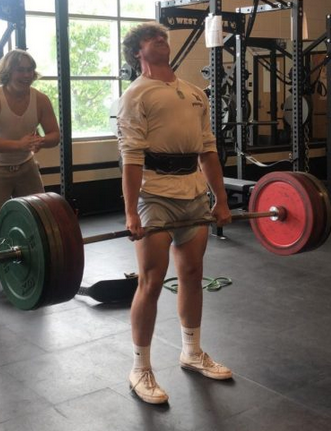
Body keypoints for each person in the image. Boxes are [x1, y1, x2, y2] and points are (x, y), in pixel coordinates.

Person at [117, 22, 233, 405]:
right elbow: (131, 158)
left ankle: (192, 351)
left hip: (193, 191)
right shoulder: (136, 95)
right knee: (151, 280)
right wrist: (132, 212)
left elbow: (208, 151)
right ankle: (140, 368)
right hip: (154, 194)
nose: (160, 40)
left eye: (162, 37)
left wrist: (222, 199)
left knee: (193, 273)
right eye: (151, 39)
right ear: (138, 53)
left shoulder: (195, 93)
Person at [0, 49, 60, 310]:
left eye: (30, 70)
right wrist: (18, 144)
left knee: (38, 220)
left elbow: (54, 134)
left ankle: (39, 275)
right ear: (8, 72)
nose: (27, 75)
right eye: (21, 69)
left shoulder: (39, 99)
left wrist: (41, 140)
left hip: (26, 166)